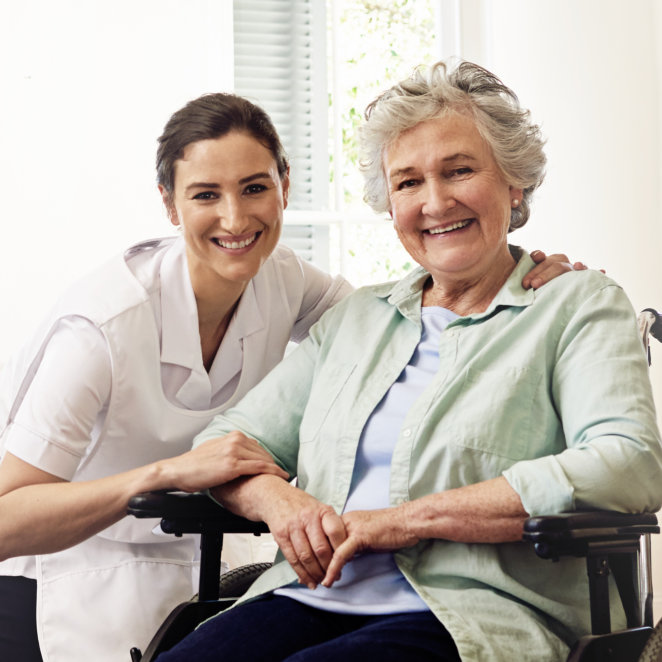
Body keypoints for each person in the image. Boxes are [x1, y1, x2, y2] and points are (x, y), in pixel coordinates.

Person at [0, 91, 579, 660]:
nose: (236, 217)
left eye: (255, 187)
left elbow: (406, 323)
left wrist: (540, 282)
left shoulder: (286, 279)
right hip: (60, 586)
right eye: (206, 194)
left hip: (206, 568)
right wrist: (162, 473)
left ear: (285, 186)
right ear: (170, 205)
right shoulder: (98, 326)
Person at [156, 61, 662, 662]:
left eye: (460, 170)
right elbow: (226, 442)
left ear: (514, 183)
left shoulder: (575, 305)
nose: (435, 202)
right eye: (407, 182)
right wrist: (280, 503)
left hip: (477, 611)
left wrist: (404, 521)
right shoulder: (357, 319)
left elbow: (628, 463)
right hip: (307, 594)